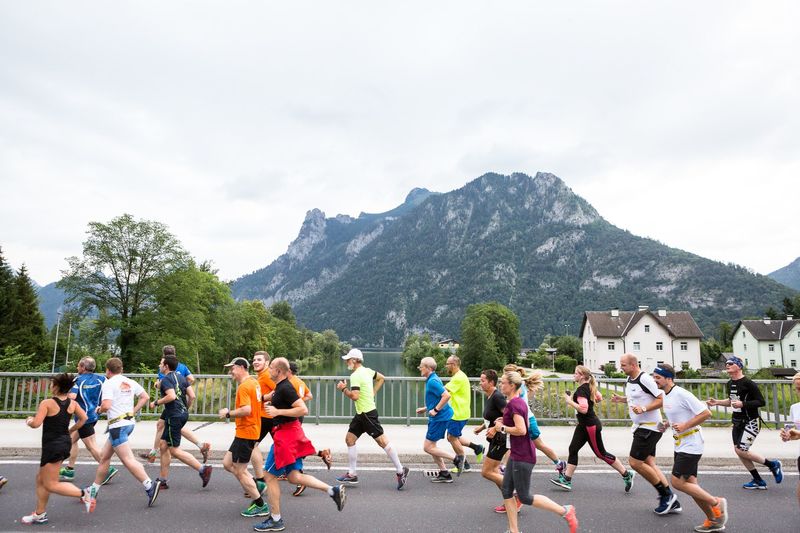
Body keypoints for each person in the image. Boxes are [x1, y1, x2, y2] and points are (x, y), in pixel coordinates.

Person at [253, 357, 346, 532]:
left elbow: (303, 409)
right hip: (290, 432)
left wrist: (277, 411)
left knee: (269, 476)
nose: (268, 369)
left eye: (271, 367)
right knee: (294, 477)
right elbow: (268, 397)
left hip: (285, 436)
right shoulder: (280, 388)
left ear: (278, 371)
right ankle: (332, 491)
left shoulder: (285, 388)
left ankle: (275, 519)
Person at [495, 370, 578, 533]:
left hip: (523, 456)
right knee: (506, 490)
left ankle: (565, 511)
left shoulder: (515, 404)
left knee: (525, 496)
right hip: (517, 454)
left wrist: (502, 427)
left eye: (503, 382)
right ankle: (514, 530)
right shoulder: (515, 402)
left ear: (512, 386)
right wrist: (502, 421)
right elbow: (517, 423)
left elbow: (521, 430)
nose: (500, 385)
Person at [653, 364, 728, 533]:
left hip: (692, 443)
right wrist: (667, 424)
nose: (654, 380)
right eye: (654, 377)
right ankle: (713, 520)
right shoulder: (666, 395)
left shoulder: (681, 394)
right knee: (692, 485)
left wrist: (685, 425)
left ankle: (716, 502)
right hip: (681, 443)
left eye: (657, 377)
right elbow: (677, 415)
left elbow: (706, 413)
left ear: (668, 379)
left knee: (677, 482)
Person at [21, 373, 96, 525]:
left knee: (50, 483)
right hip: (63, 442)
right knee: (41, 479)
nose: (50, 386)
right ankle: (39, 514)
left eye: (52, 383)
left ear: (56, 387)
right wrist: (71, 430)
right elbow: (84, 419)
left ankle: (84, 493)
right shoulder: (72, 404)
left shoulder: (47, 403)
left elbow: (36, 424)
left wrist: (29, 421)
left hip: (53, 446)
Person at [85, 357, 160, 507]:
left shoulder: (109, 383)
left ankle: (149, 485)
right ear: (121, 369)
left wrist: (99, 409)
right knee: (104, 458)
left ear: (107, 370)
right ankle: (93, 490)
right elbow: (145, 396)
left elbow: (106, 405)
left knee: (127, 460)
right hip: (128, 423)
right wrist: (132, 411)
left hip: (117, 426)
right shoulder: (129, 381)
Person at [611, 354, 680, 514]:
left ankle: (665, 496)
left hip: (649, 427)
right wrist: (622, 399)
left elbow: (662, 398)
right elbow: (638, 398)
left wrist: (644, 409)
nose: (621, 368)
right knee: (649, 463)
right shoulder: (630, 380)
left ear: (634, 365)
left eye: (623, 365)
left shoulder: (645, 379)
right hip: (642, 426)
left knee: (635, 463)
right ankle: (670, 498)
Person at [551, 365, 635, 492]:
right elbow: (599, 398)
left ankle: (626, 474)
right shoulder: (589, 387)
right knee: (573, 448)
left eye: (576, 373)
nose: (574, 375)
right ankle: (567, 479)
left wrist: (569, 401)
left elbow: (584, 409)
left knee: (601, 453)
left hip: (590, 426)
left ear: (583, 376)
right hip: (583, 425)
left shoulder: (581, 390)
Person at [335, 348, 409, 489]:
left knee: (382, 441)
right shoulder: (368, 371)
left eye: (348, 360)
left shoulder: (356, 375)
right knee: (349, 439)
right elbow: (382, 378)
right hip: (361, 414)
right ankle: (352, 474)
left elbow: (355, 396)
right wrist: (373, 392)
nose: (346, 362)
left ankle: (401, 470)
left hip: (367, 414)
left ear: (355, 360)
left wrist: (343, 389)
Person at [707, 355, 783, 489]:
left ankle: (773, 465)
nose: (727, 365)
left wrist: (743, 404)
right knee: (739, 451)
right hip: (737, 422)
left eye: (731, 363)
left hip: (751, 421)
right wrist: (717, 402)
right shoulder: (730, 383)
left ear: (739, 366)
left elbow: (761, 402)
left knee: (742, 450)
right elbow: (732, 401)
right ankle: (758, 480)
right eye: (726, 363)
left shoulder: (748, 383)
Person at [150, 353, 212, 489]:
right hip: (182, 414)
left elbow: (171, 396)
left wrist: (156, 402)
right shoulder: (182, 378)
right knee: (163, 445)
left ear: (166, 366)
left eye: (161, 364)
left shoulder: (166, 379)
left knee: (174, 450)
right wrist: (185, 408)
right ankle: (163, 480)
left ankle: (203, 469)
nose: (159, 366)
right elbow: (192, 396)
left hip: (174, 416)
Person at [141, 346, 210, 464]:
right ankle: (200, 446)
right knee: (162, 425)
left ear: (164, 357)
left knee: (170, 432)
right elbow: (191, 379)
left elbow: (163, 385)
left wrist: (158, 387)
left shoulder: (165, 368)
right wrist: (182, 386)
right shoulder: (181, 366)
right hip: (180, 403)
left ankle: (156, 454)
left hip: (172, 403)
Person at [218, 357, 266, 518]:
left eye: (233, 368)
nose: (231, 371)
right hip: (247, 432)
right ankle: (256, 483)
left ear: (241, 368)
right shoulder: (254, 382)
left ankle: (260, 504)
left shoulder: (245, 386)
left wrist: (227, 413)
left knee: (240, 471)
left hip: (246, 433)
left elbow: (246, 410)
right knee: (226, 463)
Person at [59, 356, 118, 486]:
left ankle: (108, 470)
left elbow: (72, 397)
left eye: (78, 366)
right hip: (94, 416)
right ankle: (69, 469)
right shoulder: (102, 379)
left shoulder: (77, 380)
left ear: (83, 368)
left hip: (83, 418)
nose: (77, 368)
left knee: (91, 446)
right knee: (71, 440)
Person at [504, 364, 566, 475]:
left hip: (528, 420)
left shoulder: (518, 387)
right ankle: (506, 468)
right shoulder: (520, 385)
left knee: (539, 445)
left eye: (505, 376)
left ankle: (560, 463)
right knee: (513, 444)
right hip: (523, 420)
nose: (502, 379)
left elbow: (515, 402)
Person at [283, 360, 332, 496]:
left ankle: (299, 477)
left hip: (292, 416)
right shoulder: (300, 381)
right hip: (298, 415)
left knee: (292, 446)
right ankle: (321, 454)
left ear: (289, 371)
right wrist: (300, 401)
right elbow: (309, 395)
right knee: (295, 444)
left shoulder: (290, 383)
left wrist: (294, 404)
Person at [473, 369, 519, 514]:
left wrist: (495, 429)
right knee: (493, 471)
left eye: (483, 380)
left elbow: (509, 414)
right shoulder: (491, 396)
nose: (480, 383)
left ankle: (515, 493)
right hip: (496, 439)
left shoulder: (497, 397)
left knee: (486, 472)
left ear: (491, 382)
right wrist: (482, 427)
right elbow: (492, 417)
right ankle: (510, 502)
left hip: (500, 439)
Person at [415, 356, 456, 483]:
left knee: (428, 447)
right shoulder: (432, 379)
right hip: (439, 417)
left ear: (428, 368)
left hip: (439, 418)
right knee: (432, 446)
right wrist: (427, 408)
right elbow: (438, 399)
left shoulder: (432, 381)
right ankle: (444, 473)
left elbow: (446, 395)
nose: (419, 368)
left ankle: (456, 459)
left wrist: (436, 410)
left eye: (421, 366)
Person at [444, 355, 484, 474]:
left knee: (452, 438)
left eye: (447, 364)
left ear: (454, 365)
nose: (446, 366)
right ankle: (477, 448)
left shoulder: (458, 378)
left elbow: (444, 391)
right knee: (454, 437)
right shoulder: (459, 375)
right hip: (461, 412)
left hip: (458, 413)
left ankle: (463, 464)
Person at [250, 351, 276, 497]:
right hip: (267, 417)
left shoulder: (266, 375)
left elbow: (279, 388)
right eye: (254, 360)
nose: (255, 362)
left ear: (266, 363)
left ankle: (260, 481)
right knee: (283, 445)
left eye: (259, 360)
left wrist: (264, 398)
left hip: (266, 417)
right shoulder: (262, 375)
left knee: (252, 445)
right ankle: (299, 475)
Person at [779, 371, 800, 507]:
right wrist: (790, 436)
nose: (799, 391)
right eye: (797, 388)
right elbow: (798, 434)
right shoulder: (795, 408)